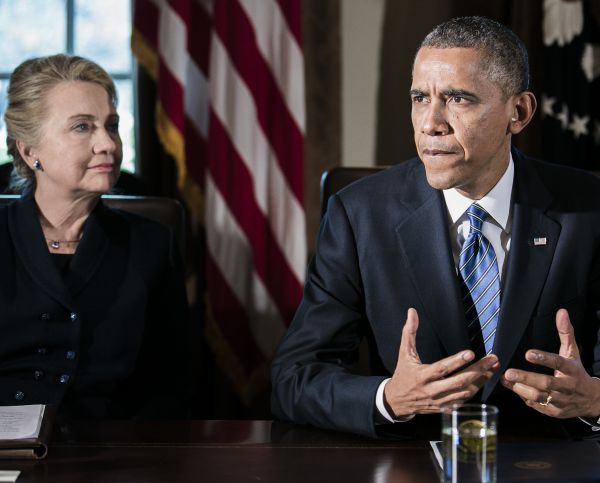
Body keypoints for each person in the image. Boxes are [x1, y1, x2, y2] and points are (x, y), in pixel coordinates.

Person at [271, 16, 600, 439]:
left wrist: (594, 400)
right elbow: (293, 379)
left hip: (552, 463)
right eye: (419, 98)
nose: (430, 123)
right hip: (414, 464)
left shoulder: (589, 210)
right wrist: (390, 399)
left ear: (518, 112)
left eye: (457, 99)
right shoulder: (359, 215)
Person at [1, 54, 191, 418]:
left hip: (114, 445)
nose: (108, 144)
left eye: (111, 126)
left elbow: (171, 388)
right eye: (82, 127)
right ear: (29, 150)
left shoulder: (152, 245)